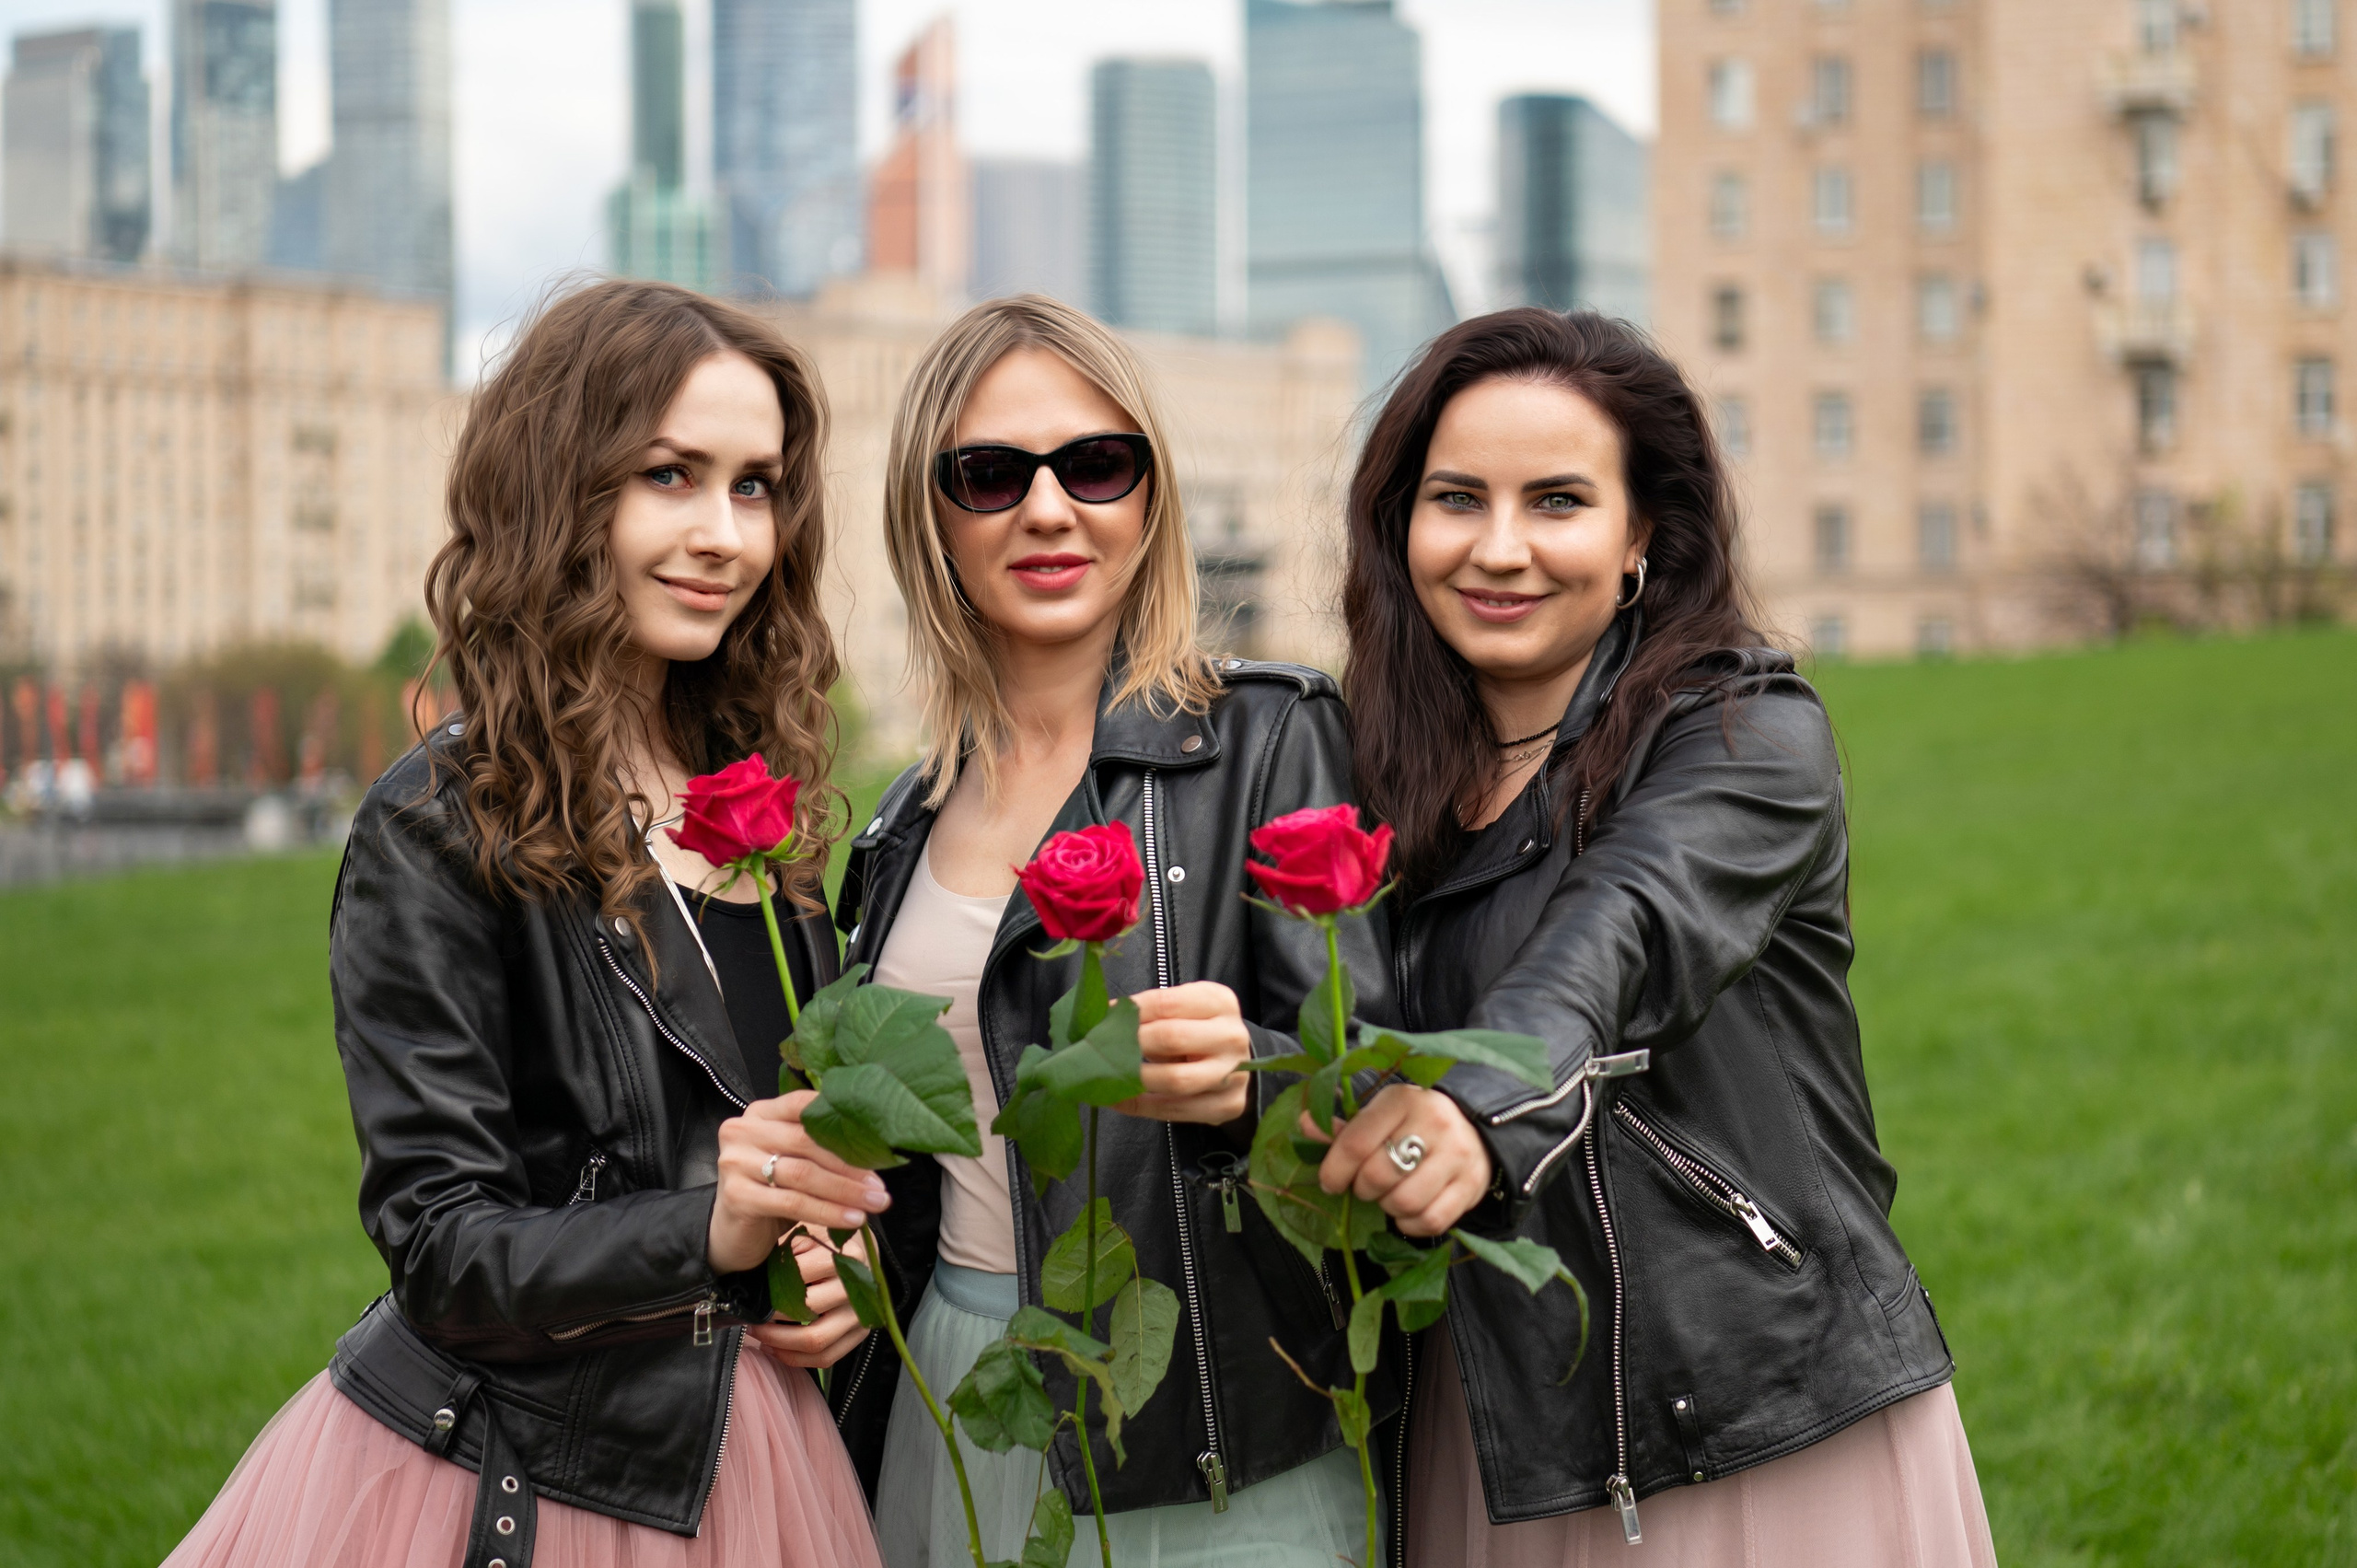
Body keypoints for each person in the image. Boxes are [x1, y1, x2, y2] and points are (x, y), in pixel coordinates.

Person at [165, 280, 887, 1568]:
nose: (723, 533)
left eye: (755, 485)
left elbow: (786, 1150)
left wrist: (835, 1280)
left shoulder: (761, 806)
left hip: (756, 1450)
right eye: (670, 475)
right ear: (563, 489)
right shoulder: (440, 823)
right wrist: (706, 1235)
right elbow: (444, 1249)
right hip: (523, 1466)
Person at [1317, 308, 1999, 1568]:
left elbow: (1616, 933)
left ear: (1642, 538)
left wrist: (1465, 1107)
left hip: (1748, 1410)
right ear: (1401, 525)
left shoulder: (1743, 737)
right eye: (1457, 498)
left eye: (1559, 502)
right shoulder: (1371, 775)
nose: (1500, 548)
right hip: (1497, 1426)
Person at [830, 295, 1389, 1567]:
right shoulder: (899, 826)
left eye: (1094, 464)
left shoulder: (1271, 740)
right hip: (964, 1396)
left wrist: (1257, 1083)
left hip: (1198, 1428)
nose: (1047, 509)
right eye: (988, 474)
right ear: (933, 517)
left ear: (1148, 495)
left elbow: (1386, 1091)